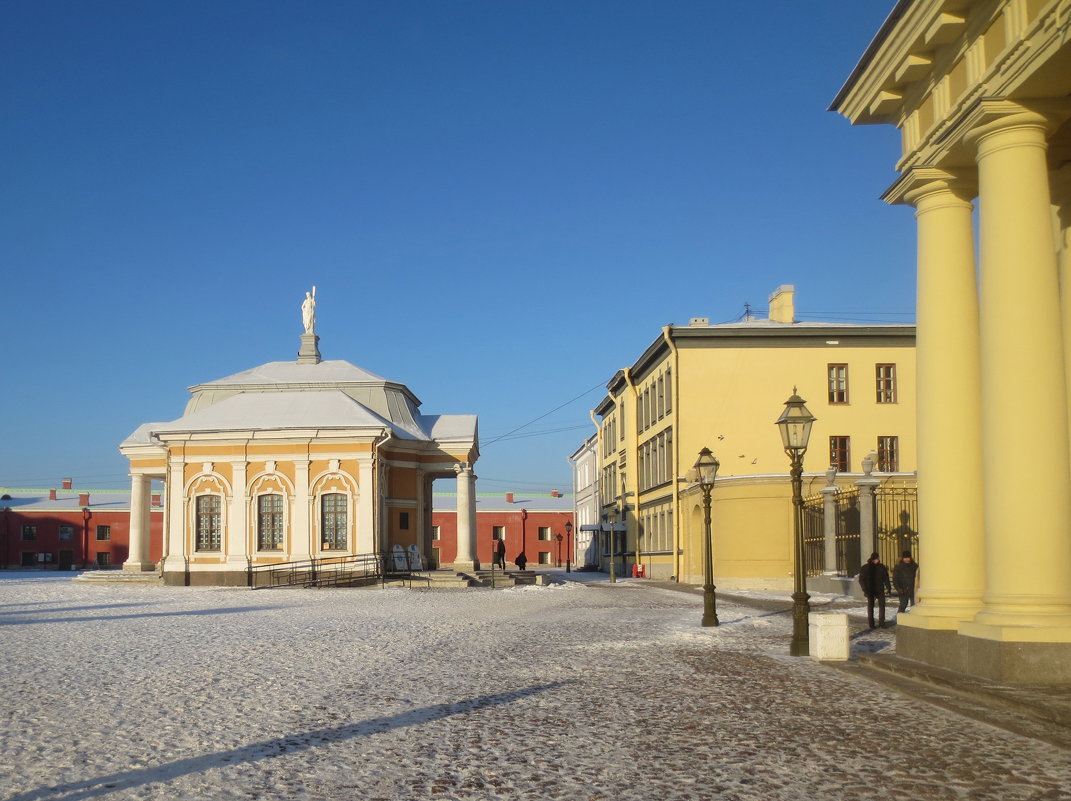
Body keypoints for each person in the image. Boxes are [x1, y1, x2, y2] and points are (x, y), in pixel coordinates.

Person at [858, 552, 892, 629]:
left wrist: (888, 588)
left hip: (880, 589)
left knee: (882, 606)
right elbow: (861, 580)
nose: (877, 560)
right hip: (870, 590)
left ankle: (881, 622)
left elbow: (886, 578)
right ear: (873, 559)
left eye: (878, 558)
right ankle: (871, 624)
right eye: (876, 559)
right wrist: (865, 590)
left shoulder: (882, 567)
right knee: (870, 606)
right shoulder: (866, 567)